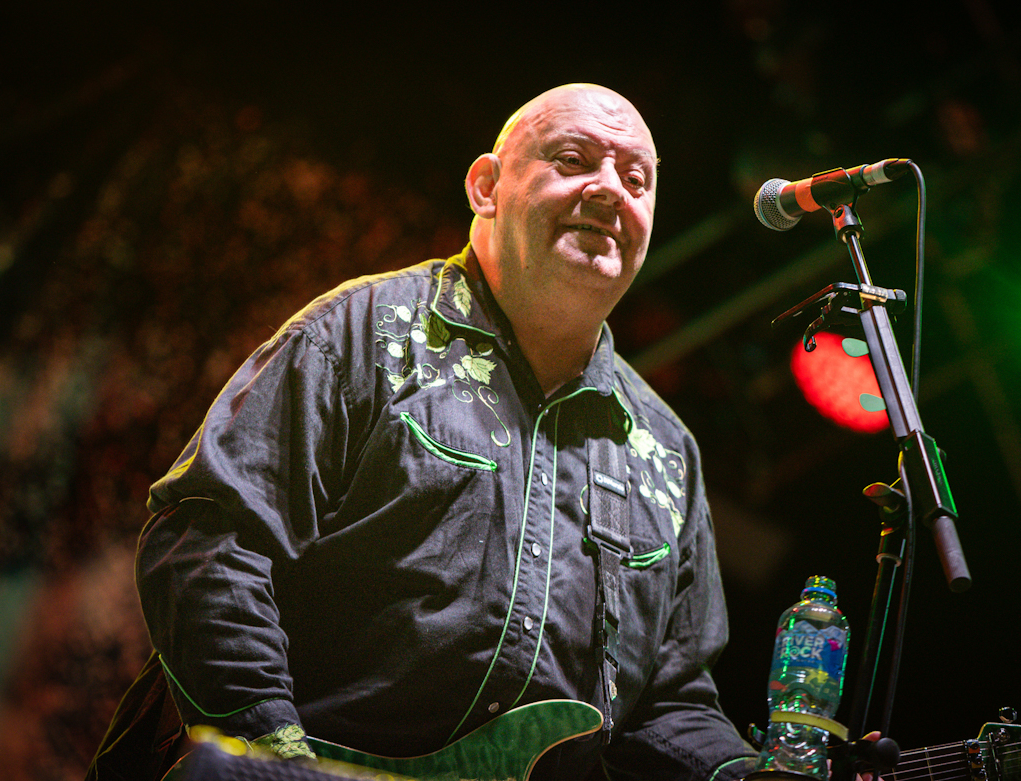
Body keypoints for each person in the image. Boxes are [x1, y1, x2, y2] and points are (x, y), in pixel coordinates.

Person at [94, 84, 760, 781]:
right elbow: (207, 541)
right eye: (573, 159)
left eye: (636, 179)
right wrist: (275, 756)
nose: (610, 191)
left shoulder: (665, 448)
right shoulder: (356, 335)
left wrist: (755, 776)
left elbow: (669, 704)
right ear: (486, 187)